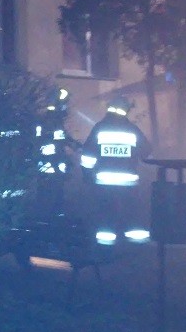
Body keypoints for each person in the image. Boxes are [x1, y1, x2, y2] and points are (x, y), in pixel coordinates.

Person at [80, 96, 153, 244]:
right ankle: (135, 241)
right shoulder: (132, 130)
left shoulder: (100, 128)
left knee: (105, 211)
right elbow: (146, 152)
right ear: (126, 110)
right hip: (128, 182)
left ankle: (105, 242)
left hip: (104, 181)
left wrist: (87, 175)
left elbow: (88, 155)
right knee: (132, 211)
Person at [35, 87, 78, 216]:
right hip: (52, 163)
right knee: (54, 190)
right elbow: (57, 142)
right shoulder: (53, 121)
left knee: (45, 189)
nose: (66, 108)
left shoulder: (47, 119)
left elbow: (61, 138)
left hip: (45, 163)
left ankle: (45, 213)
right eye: (64, 104)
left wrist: (74, 144)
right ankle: (54, 214)